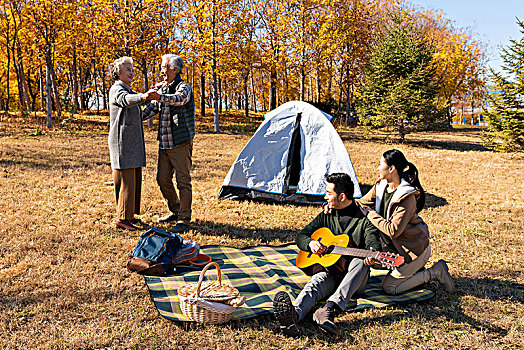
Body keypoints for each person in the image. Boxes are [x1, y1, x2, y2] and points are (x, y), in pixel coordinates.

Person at [273, 173, 381, 336]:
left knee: (359, 262)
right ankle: (294, 316)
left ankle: (329, 309)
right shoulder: (326, 215)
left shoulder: (364, 220)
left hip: (355, 280)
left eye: (329, 193)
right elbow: (301, 236)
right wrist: (311, 244)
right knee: (316, 282)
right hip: (331, 272)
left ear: (342, 196)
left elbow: (372, 240)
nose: (325, 197)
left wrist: (373, 252)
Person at [357, 149, 455, 295]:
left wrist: (370, 214)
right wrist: (338, 204)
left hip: (413, 250)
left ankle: (434, 272)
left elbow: (393, 230)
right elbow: (361, 203)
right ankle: (411, 272)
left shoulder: (406, 197)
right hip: (394, 248)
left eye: (380, 164)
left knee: (389, 288)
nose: (377, 168)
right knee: (364, 255)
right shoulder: (380, 186)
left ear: (391, 169)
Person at [142, 54, 195, 233]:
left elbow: (179, 99)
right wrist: (134, 110)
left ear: (174, 69)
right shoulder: (163, 89)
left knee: (183, 181)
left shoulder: (183, 86)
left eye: (164, 67)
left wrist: (160, 95)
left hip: (180, 142)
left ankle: (184, 220)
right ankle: (176, 210)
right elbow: (149, 111)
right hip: (164, 143)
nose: (161, 71)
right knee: (162, 179)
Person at [108, 56, 154, 231]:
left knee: (133, 179)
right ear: (118, 72)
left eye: (132, 70)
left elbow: (140, 114)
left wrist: (152, 99)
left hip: (131, 142)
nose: (131, 73)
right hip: (122, 141)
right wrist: (143, 96)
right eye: (128, 69)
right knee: (126, 180)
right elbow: (126, 100)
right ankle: (123, 219)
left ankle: (129, 215)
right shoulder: (117, 89)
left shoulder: (129, 90)